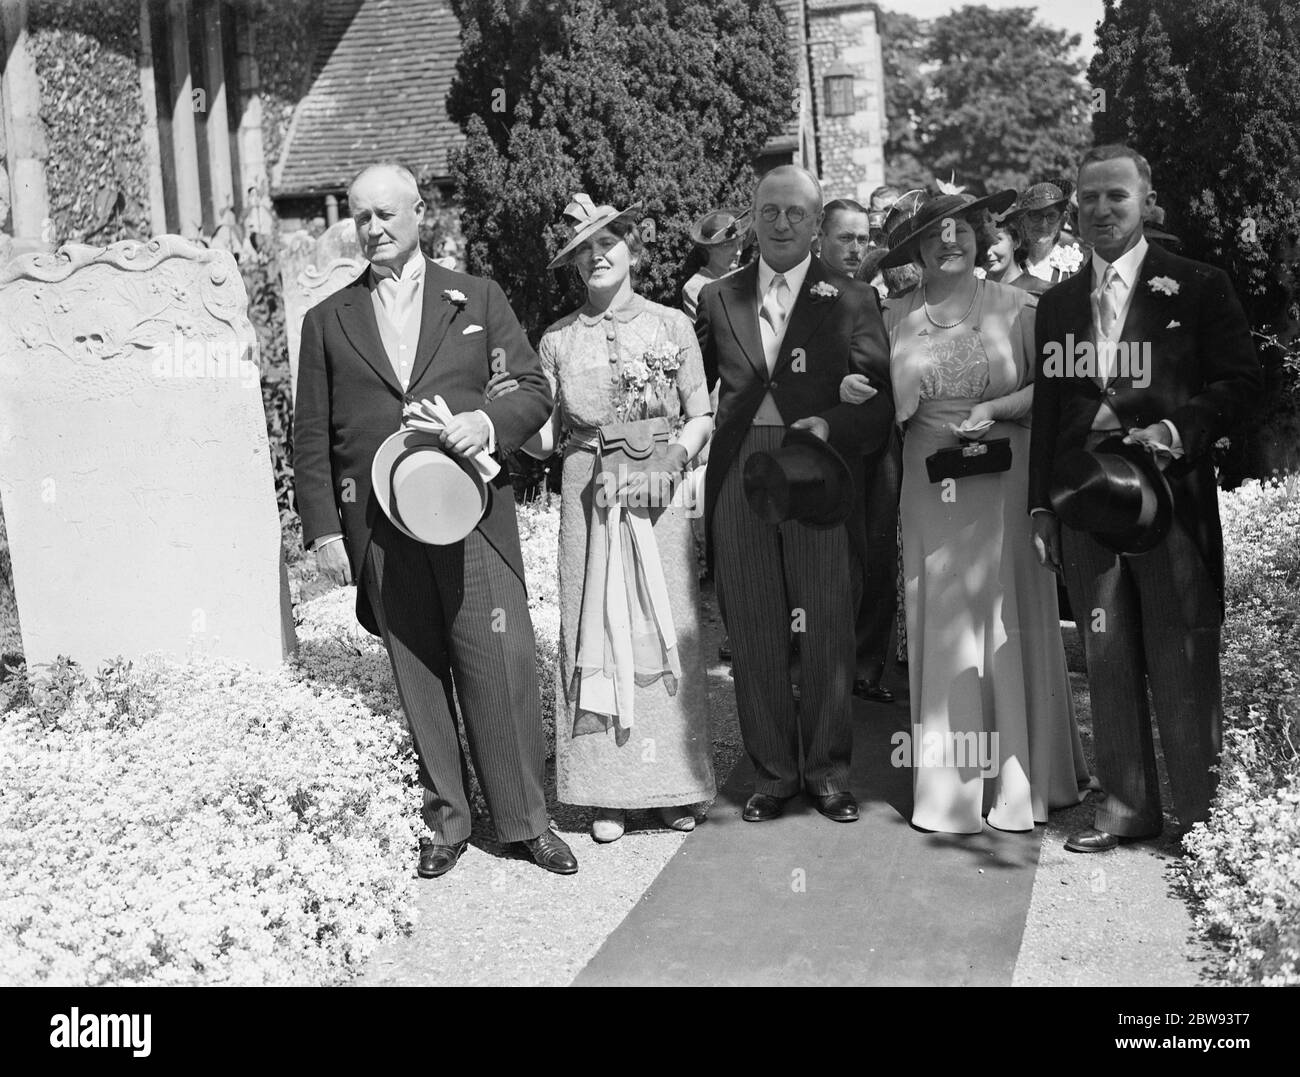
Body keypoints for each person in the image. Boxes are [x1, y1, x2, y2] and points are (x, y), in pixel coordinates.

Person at [294, 162, 578, 878]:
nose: (374, 228)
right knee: (418, 672)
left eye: (387, 213)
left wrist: (486, 422)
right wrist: (327, 531)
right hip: (382, 531)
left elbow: (531, 389)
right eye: (361, 217)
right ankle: (447, 820)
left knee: (500, 665)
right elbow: (311, 436)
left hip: (471, 517)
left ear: (420, 214)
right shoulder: (326, 323)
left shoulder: (474, 297)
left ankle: (524, 821)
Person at [1029, 144, 1261, 852]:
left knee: (1181, 650)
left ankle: (1199, 816)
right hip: (1086, 504)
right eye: (1089, 198)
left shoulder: (1197, 285)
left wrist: (1177, 427)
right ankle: (1127, 808)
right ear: (1075, 206)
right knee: (1106, 650)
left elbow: (1244, 383)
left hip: (1169, 503)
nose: (1101, 210)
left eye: (1116, 197)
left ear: (1145, 199)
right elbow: (1048, 408)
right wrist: (1041, 505)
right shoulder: (1059, 303)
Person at [845, 188, 1089, 834]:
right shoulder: (893, 317)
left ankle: (1020, 778)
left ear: (981, 236)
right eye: (933, 234)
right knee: (946, 619)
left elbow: (1057, 391)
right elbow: (870, 410)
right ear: (916, 249)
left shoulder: (1020, 309)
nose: (948, 240)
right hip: (931, 485)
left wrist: (999, 409)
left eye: (960, 229)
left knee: (1010, 614)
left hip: (1009, 480)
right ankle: (953, 789)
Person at [507, 194, 716, 843]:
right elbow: (543, 438)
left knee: (663, 619)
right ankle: (608, 791)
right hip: (587, 493)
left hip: (657, 490)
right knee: (595, 621)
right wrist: (506, 415)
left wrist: (675, 459)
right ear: (574, 267)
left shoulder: (670, 327)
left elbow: (701, 413)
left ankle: (670, 782)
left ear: (632, 248)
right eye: (584, 252)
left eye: (609, 244)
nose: (598, 257)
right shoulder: (557, 340)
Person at [696, 165, 894, 824]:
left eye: (796, 214)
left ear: (816, 224)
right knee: (752, 626)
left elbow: (878, 402)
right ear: (754, 217)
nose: (782, 223)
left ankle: (829, 771)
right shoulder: (718, 299)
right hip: (741, 476)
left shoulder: (852, 298)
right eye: (770, 211)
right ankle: (774, 771)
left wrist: (827, 424)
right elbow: (693, 399)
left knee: (827, 622)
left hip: (816, 470)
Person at [820, 198, 900, 703]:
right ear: (820, 239)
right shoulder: (794, 292)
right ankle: (818, 665)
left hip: (873, 442)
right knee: (825, 558)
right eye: (845, 238)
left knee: (874, 553)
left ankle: (867, 667)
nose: (855, 248)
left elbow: (876, 371)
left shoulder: (865, 293)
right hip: (818, 440)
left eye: (862, 240)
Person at [1005, 182, 1085, 286]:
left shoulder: (1073, 265)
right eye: (1036, 215)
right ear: (1023, 218)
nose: (1043, 224)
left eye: (1051, 216)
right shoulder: (1008, 263)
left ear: (1062, 219)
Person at [681, 208, 749, 322]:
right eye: (729, 245)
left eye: (740, 244)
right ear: (710, 248)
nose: (738, 252)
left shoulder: (744, 278)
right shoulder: (695, 287)